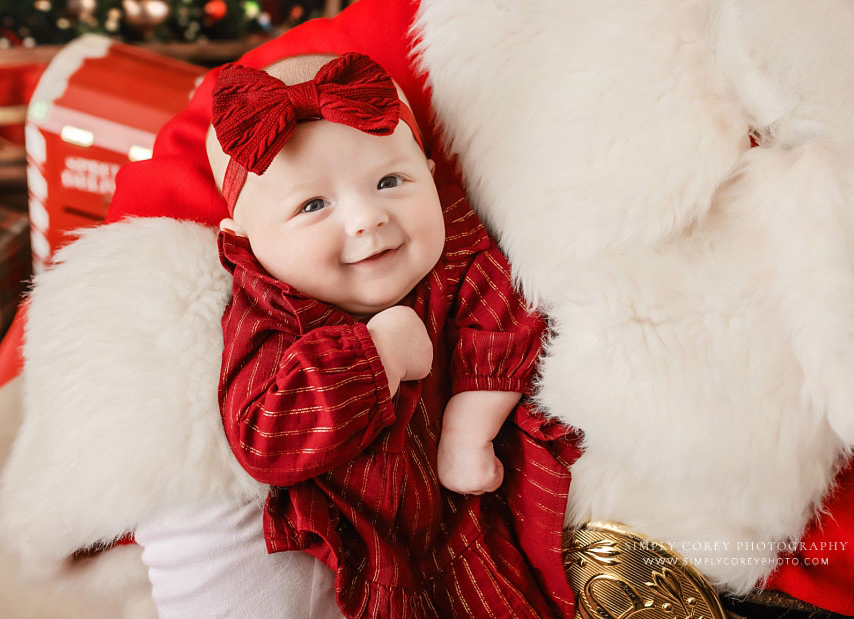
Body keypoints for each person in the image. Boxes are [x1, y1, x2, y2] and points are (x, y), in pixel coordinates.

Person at [135, 52, 579, 619]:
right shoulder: (271, 316)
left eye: (390, 181)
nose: (367, 217)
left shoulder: (457, 254)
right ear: (243, 242)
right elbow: (268, 438)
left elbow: (510, 318)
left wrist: (470, 428)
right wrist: (377, 354)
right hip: (372, 556)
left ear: (430, 172)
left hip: (475, 529)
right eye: (313, 205)